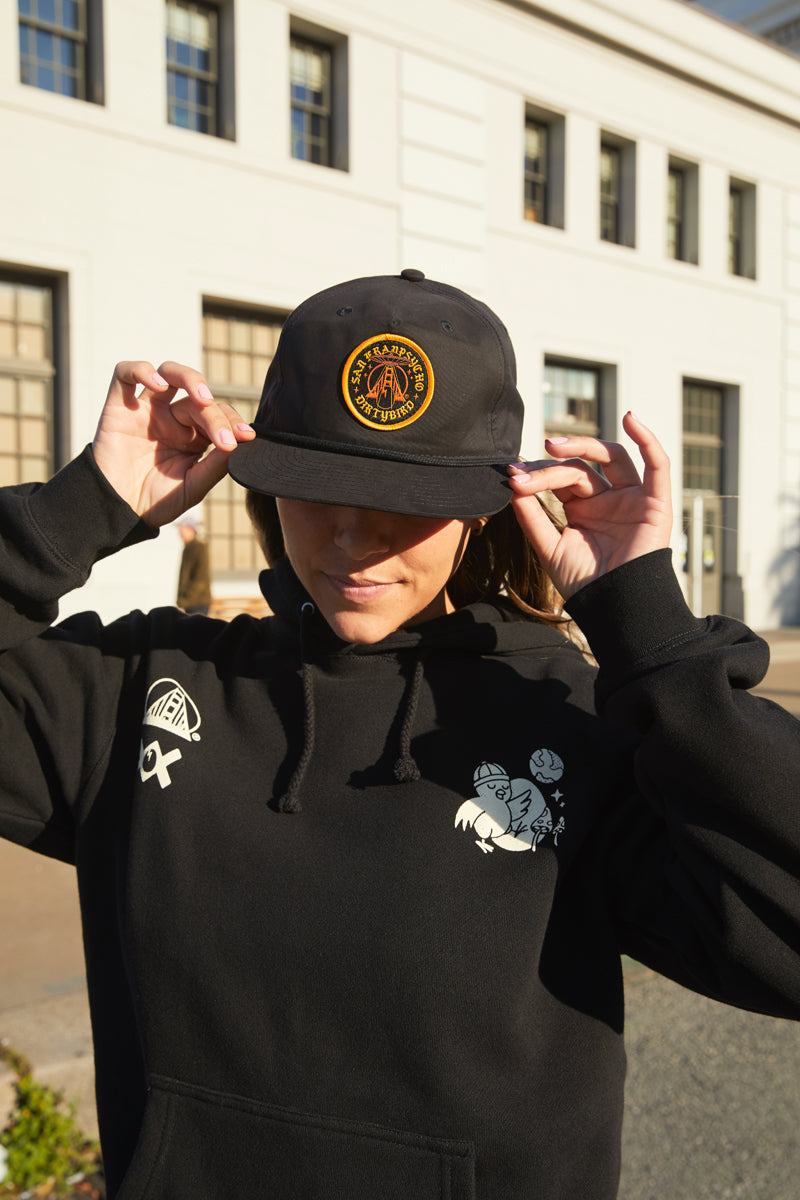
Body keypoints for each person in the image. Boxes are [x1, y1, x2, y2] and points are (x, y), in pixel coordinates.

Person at [0, 269, 798, 1200]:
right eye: (317, 486)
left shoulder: (570, 728)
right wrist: (79, 510)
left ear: (489, 505)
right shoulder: (147, 691)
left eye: (405, 499)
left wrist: (650, 634)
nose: (355, 538)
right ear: (262, 480)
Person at [175, 513, 212, 615]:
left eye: (182, 528)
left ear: (190, 529)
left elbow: (200, 578)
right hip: (190, 603)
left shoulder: (199, 547)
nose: (180, 532)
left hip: (198, 603)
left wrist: (185, 600)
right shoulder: (187, 548)